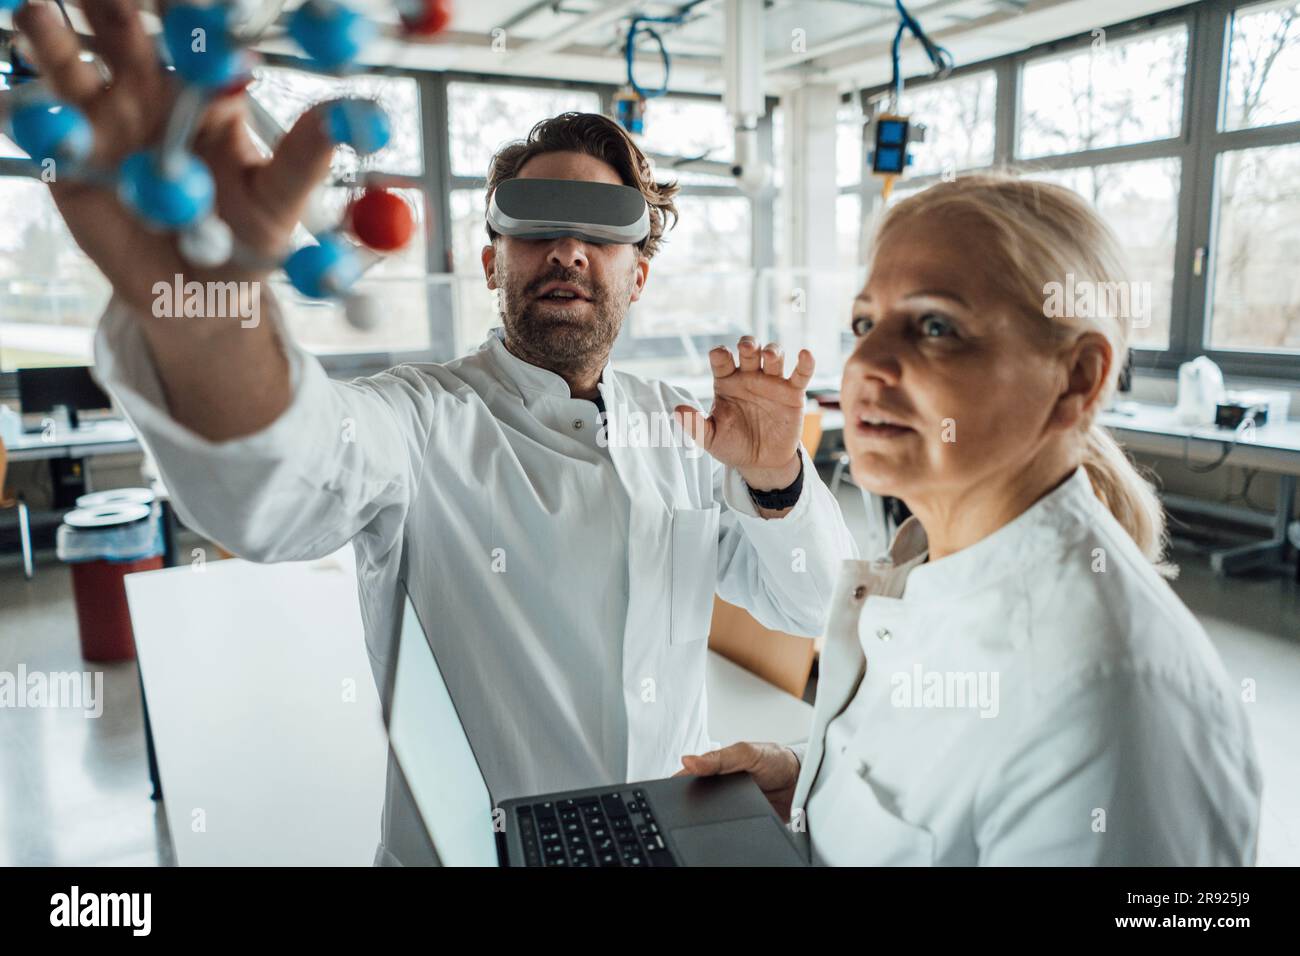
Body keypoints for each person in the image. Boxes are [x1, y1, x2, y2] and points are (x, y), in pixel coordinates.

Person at [13, 1, 855, 865]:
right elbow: (281, 486)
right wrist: (208, 316)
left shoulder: (688, 432)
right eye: (536, 224)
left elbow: (807, 602)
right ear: (492, 260)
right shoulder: (421, 419)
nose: (567, 249)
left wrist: (778, 481)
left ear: (636, 274)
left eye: (600, 232)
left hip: (659, 842)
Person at [680, 174, 1262, 865]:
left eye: (936, 327)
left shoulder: (1113, 698)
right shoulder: (931, 568)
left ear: (1078, 378)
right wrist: (809, 782)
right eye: (866, 323)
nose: (865, 361)